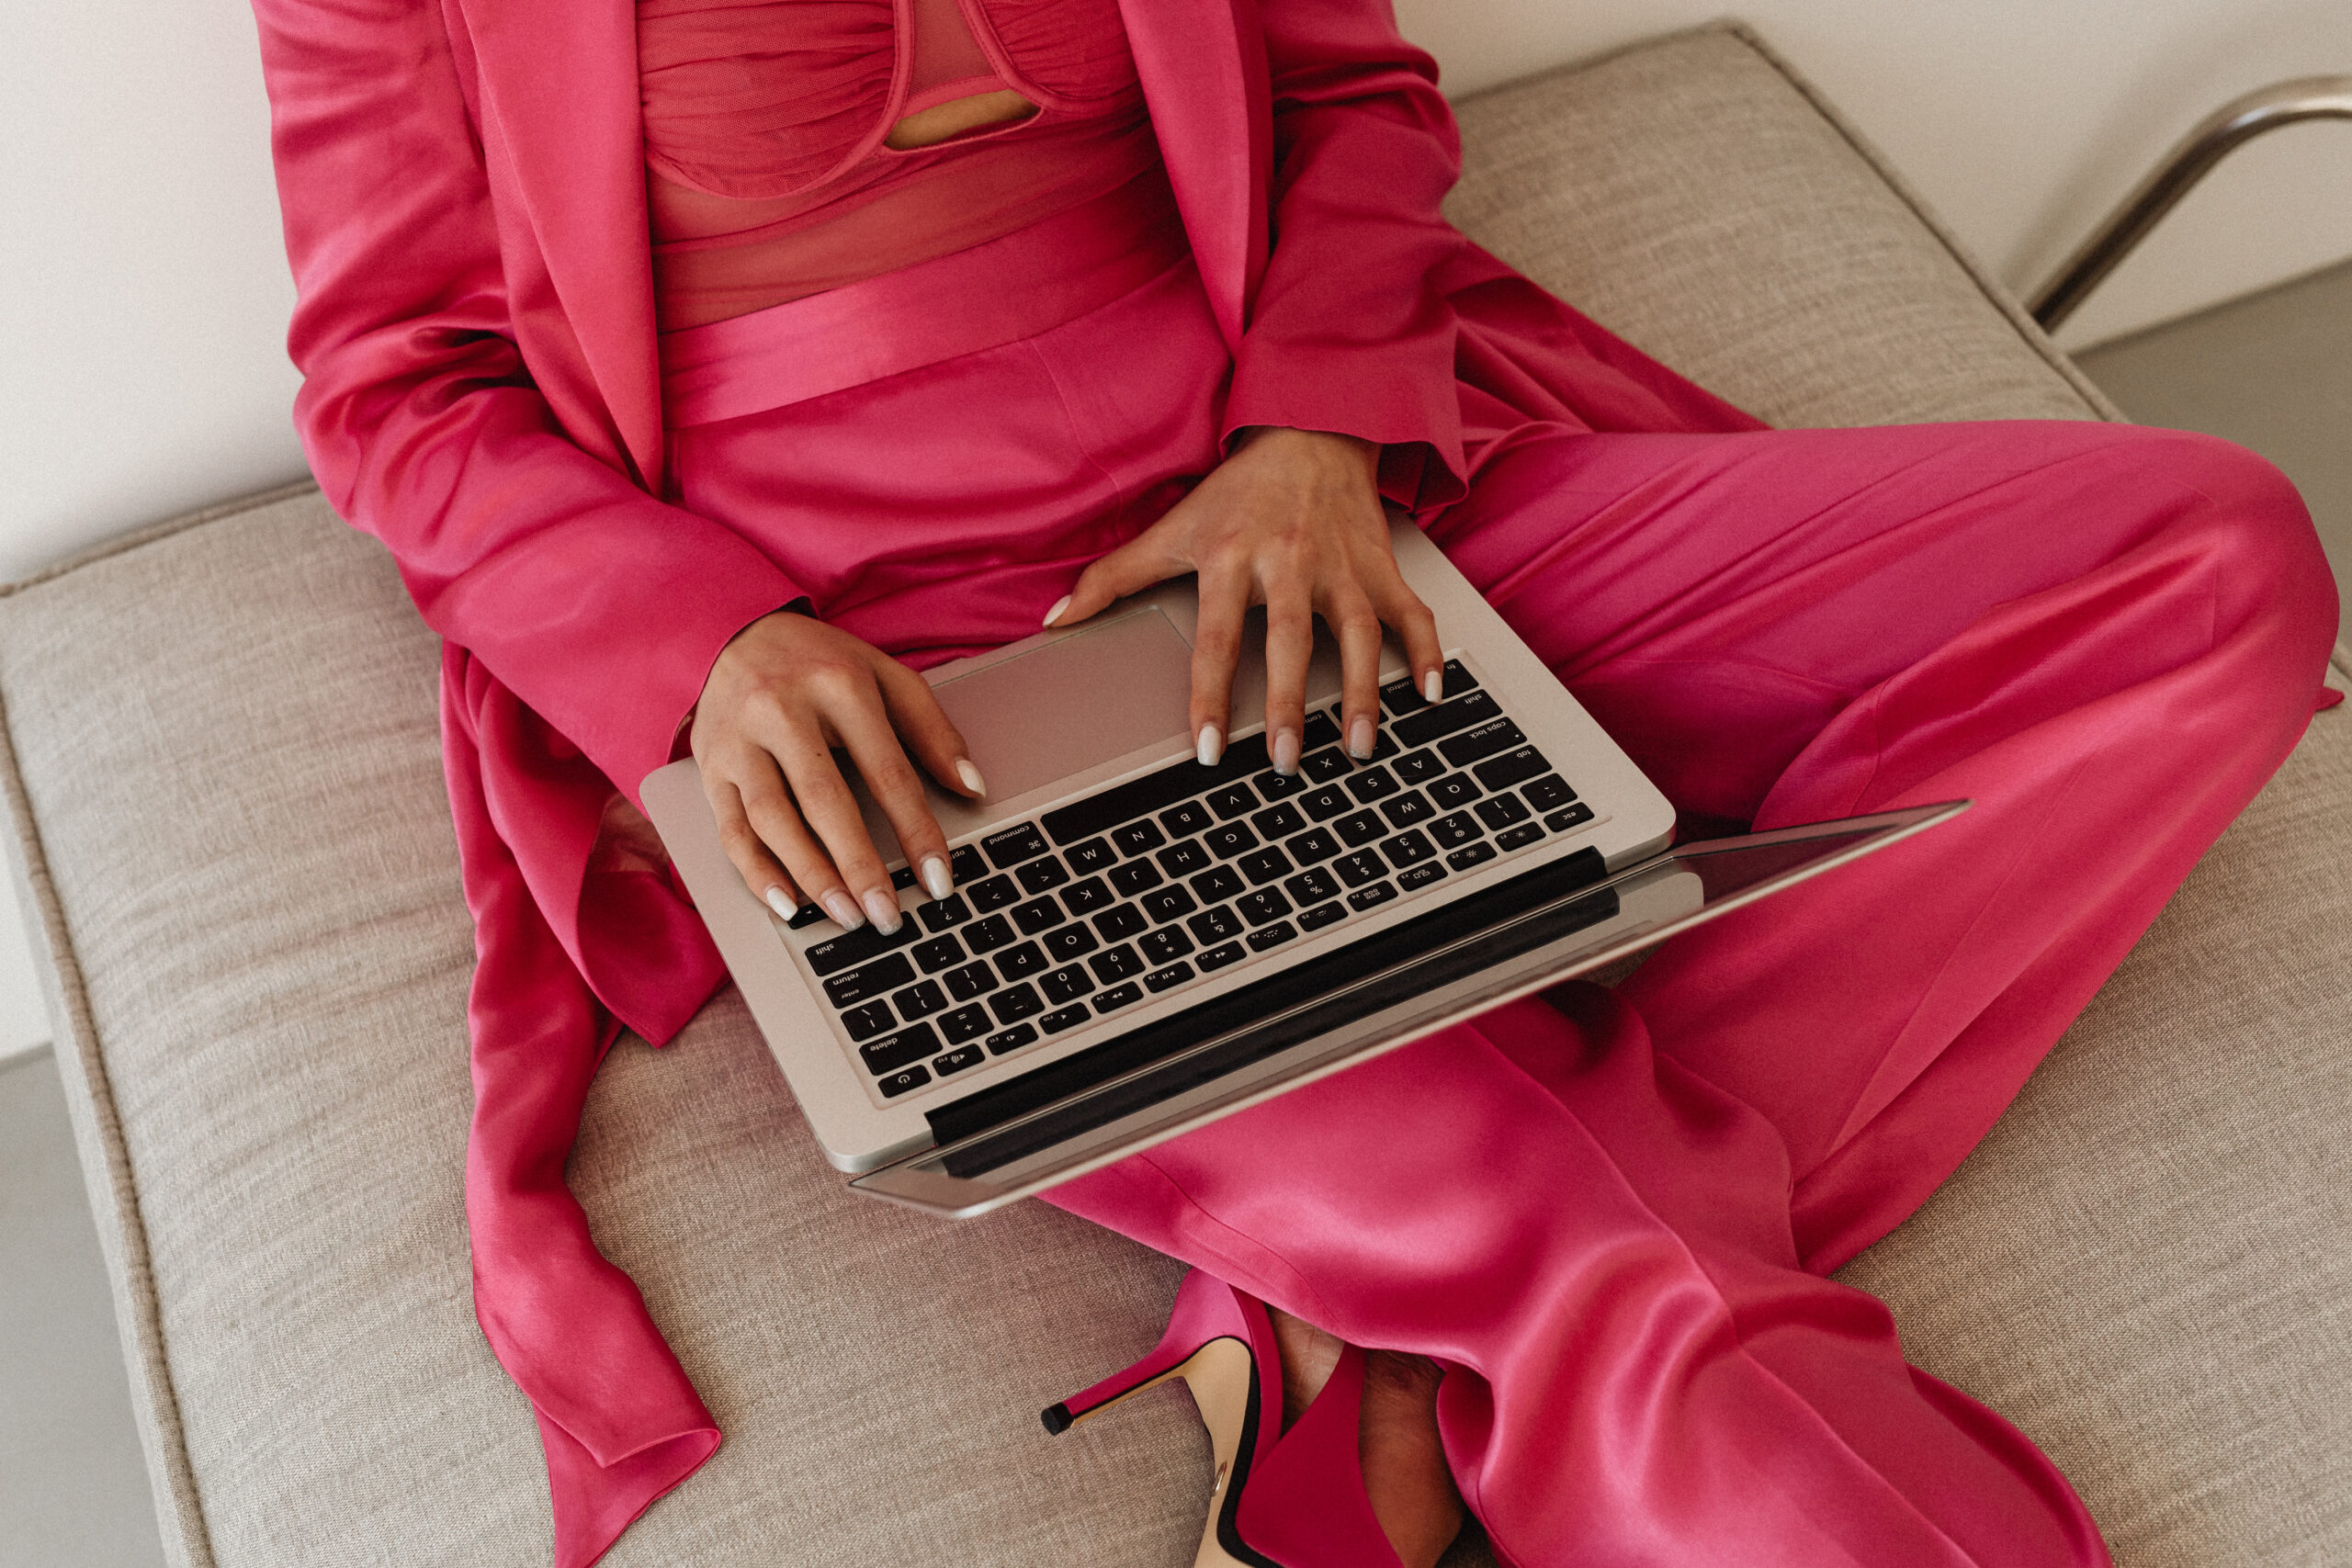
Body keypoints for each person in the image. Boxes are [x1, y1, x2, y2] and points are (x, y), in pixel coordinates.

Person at [249, 0, 2338, 1562]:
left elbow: (1343, 100)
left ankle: (1352, 1304)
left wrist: (1312, 436)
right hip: (905, 696)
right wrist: (705, 651)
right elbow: (395, 385)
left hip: (1334, 523)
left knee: (2209, 561)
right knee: (1619, 1259)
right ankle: (1464, 1257)